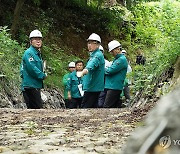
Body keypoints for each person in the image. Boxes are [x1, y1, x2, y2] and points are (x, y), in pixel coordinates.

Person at [20, 30, 47, 109]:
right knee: (36, 110)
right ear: (31, 41)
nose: (38, 41)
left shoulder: (37, 54)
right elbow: (32, 68)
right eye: (35, 39)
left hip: (35, 85)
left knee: (34, 110)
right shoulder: (29, 53)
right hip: (30, 86)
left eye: (40, 39)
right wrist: (42, 75)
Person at [81, 33, 105, 108]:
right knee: (93, 108)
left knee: (85, 107)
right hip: (92, 86)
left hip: (93, 87)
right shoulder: (93, 55)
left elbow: (92, 64)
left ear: (98, 45)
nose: (89, 45)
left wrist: (86, 70)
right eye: (88, 43)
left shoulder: (97, 55)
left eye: (92, 43)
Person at [103, 40, 128, 108]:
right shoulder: (117, 59)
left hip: (114, 87)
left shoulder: (121, 59)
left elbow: (110, 70)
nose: (111, 53)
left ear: (117, 49)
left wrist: (102, 69)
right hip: (112, 86)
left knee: (107, 106)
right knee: (113, 107)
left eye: (112, 51)